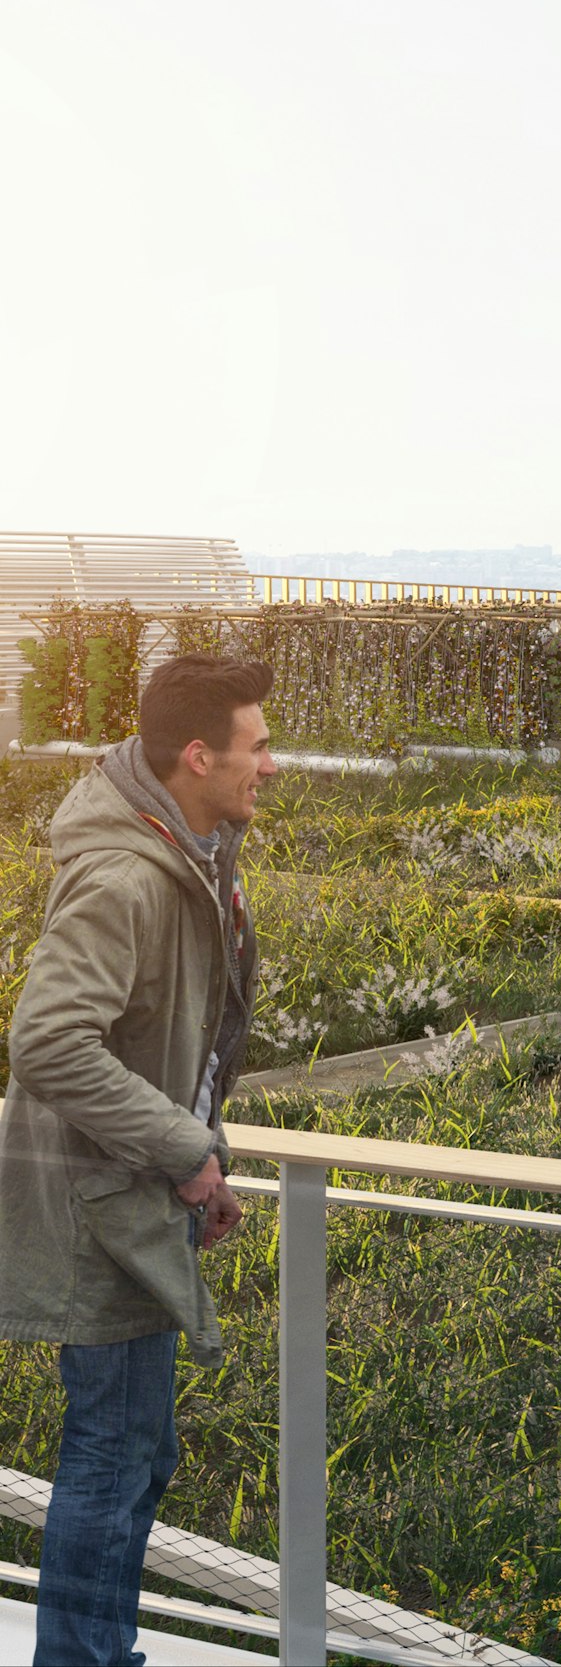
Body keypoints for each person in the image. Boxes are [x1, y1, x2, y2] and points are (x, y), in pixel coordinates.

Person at [2, 654, 271, 1667]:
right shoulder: (126, 874)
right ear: (196, 755)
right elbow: (48, 1040)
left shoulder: (184, 846)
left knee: (132, 1451)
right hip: (106, 1209)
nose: (272, 763)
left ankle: (91, 1652)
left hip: (135, 1197)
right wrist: (181, 1146)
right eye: (256, 745)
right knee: (114, 1455)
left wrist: (192, 1157)